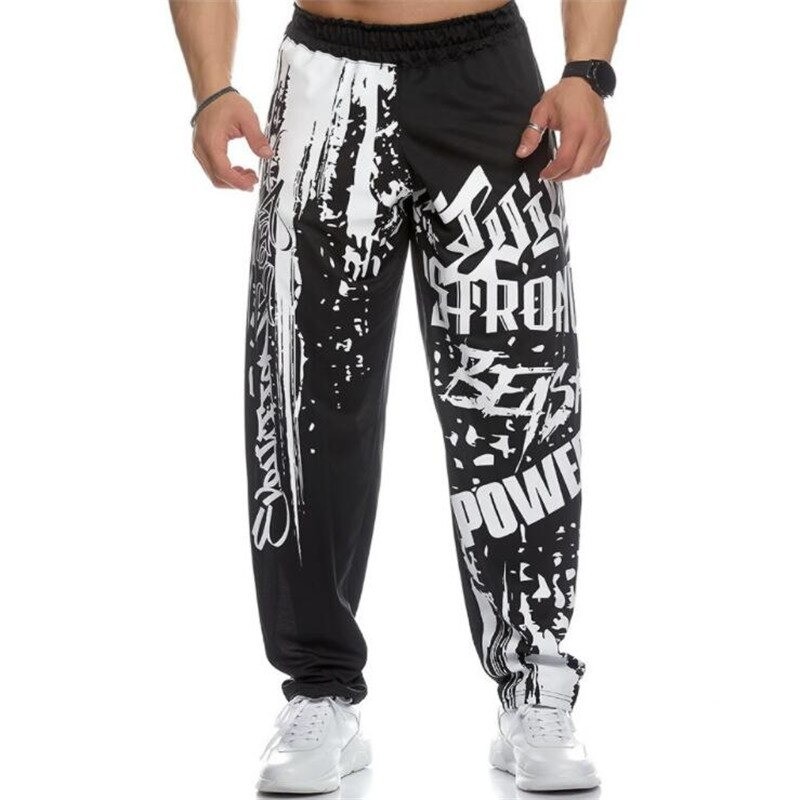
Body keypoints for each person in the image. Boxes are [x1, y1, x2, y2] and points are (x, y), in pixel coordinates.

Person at [170, 0, 626, 793]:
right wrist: (211, 87)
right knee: (305, 397)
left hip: (489, 81)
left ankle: (534, 684)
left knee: (516, 395)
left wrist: (588, 70)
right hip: (323, 82)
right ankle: (318, 691)